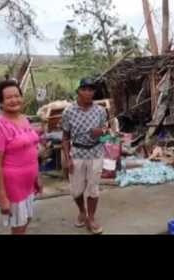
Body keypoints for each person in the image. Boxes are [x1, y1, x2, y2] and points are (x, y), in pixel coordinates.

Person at [0, 79, 43, 235]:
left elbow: (31, 149)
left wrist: (36, 177)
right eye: (9, 98)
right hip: (14, 185)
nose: (14, 100)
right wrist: (2, 197)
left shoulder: (24, 119)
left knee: (27, 219)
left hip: (28, 181)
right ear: (1, 102)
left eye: (17, 96)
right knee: (19, 225)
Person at [62, 78, 108, 234]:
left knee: (93, 189)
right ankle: (82, 211)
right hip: (77, 154)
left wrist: (101, 133)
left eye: (91, 90)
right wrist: (68, 159)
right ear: (78, 91)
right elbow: (65, 137)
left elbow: (106, 135)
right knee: (76, 190)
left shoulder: (100, 111)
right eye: (85, 89)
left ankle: (91, 218)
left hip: (96, 153)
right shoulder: (69, 112)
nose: (88, 92)